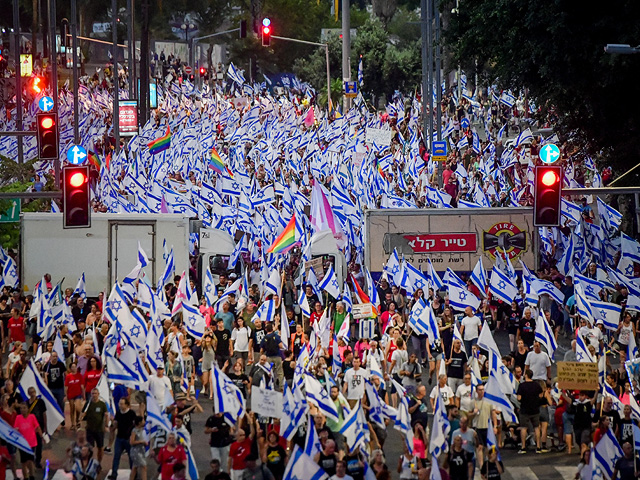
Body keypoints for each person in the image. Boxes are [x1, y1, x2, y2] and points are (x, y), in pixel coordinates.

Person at [108, 397, 137, 479]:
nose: (120, 405)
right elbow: (116, 424)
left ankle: (134, 474)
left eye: (122, 404)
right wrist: (112, 425)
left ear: (127, 405)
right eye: (119, 403)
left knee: (131, 458)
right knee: (116, 456)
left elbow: (135, 426)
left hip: (128, 438)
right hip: (119, 437)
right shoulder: (118, 413)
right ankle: (114, 474)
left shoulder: (131, 414)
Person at [516, 369, 543, 454]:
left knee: (523, 428)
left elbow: (519, 398)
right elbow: (541, 395)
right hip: (535, 409)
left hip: (524, 409)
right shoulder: (536, 385)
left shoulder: (522, 385)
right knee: (536, 427)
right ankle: (538, 446)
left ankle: (523, 447)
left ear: (526, 375)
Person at [13, 403, 40, 480]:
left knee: (31, 460)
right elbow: (15, 427)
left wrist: (40, 434)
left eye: (24, 408)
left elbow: (37, 426)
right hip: (22, 443)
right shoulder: (18, 417)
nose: (23, 410)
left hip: (32, 442)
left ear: (27, 409)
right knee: (24, 461)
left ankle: (31, 475)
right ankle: (25, 476)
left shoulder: (32, 417)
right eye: (21, 408)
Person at [81, 388, 109, 463]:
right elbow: (82, 415)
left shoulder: (102, 404)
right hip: (90, 429)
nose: (94, 395)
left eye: (95, 393)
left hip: (99, 430)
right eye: (92, 394)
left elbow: (106, 415)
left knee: (100, 448)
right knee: (90, 448)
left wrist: (106, 425)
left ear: (98, 394)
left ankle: (99, 462)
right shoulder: (88, 404)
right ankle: (90, 462)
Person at [228, 415, 256, 480]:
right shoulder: (233, 445)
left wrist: (251, 423)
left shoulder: (247, 442)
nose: (243, 436)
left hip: (246, 468)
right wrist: (228, 469)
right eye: (241, 435)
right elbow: (230, 458)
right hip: (237, 469)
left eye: (244, 435)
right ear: (237, 436)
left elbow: (253, 433)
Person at [43, 351, 66, 418]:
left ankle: (62, 417)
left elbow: (65, 374)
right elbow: (44, 376)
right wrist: (45, 376)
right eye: (53, 356)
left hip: (59, 388)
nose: (55, 358)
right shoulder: (47, 366)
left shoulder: (61, 364)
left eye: (56, 356)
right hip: (51, 388)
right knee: (51, 404)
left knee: (61, 404)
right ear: (50, 357)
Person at [65, 362, 84, 430]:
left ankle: (77, 420)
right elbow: (66, 387)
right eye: (72, 367)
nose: (74, 368)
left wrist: (83, 395)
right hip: (71, 394)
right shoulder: (68, 376)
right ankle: (73, 423)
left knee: (78, 408)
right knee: (72, 408)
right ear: (70, 368)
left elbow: (82, 386)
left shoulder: (79, 375)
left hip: (78, 394)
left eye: (75, 367)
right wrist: (66, 395)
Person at [129, 415, 148, 480]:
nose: (144, 422)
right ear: (139, 422)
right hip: (136, 452)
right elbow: (132, 442)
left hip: (141, 451)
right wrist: (141, 442)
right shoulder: (134, 431)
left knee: (135, 467)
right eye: (143, 420)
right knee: (143, 466)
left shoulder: (141, 430)